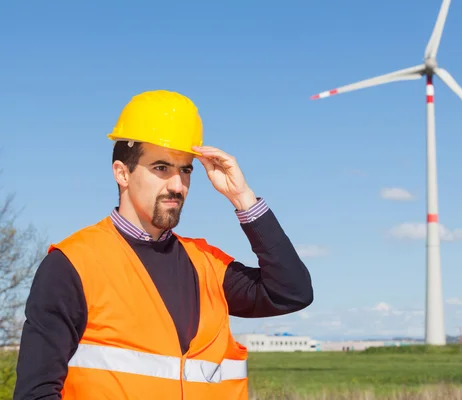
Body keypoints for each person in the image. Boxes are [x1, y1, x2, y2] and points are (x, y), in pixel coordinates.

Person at [12, 90, 314, 399]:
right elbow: (35, 393)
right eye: (161, 168)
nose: (177, 185)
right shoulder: (72, 265)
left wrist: (243, 198)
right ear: (122, 173)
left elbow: (291, 293)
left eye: (185, 170)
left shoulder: (206, 265)